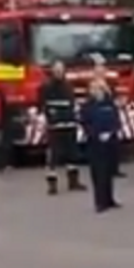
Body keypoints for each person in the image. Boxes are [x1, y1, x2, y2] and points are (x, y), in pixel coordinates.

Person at [40, 61, 84, 194]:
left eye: (61, 70)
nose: (59, 72)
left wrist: (74, 118)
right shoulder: (47, 87)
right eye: (57, 70)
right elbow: (44, 105)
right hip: (55, 126)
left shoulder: (68, 86)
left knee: (72, 154)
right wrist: (51, 118)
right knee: (53, 156)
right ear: (53, 71)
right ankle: (52, 185)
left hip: (69, 124)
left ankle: (73, 181)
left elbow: (72, 103)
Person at [80, 79, 122, 212]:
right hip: (95, 143)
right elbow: (85, 124)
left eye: (99, 88)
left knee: (109, 172)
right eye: (93, 89)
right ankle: (100, 202)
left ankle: (109, 199)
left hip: (110, 142)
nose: (96, 91)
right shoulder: (87, 106)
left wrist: (111, 132)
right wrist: (96, 134)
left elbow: (116, 121)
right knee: (98, 173)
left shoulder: (110, 104)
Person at [91, 56, 127, 178]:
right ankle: (103, 169)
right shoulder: (93, 85)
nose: (101, 73)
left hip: (111, 116)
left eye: (102, 70)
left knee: (114, 146)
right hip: (99, 118)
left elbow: (114, 98)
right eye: (98, 71)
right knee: (101, 148)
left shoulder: (109, 84)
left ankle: (115, 168)